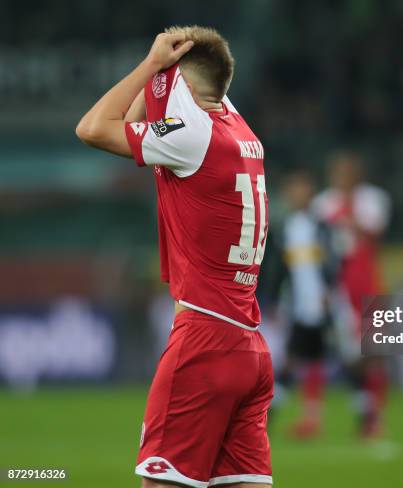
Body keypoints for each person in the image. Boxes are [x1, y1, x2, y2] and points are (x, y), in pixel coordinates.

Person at [76, 26, 273, 488]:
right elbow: (206, 83)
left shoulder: (188, 138)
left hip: (202, 343)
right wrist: (169, 73)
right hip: (250, 348)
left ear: (180, 86)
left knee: (159, 483)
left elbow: (93, 128)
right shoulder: (240, 131)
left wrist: (150, 65)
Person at [312, 151, 391, 438]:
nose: (343, 176)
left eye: (348, 171)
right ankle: (352, 412)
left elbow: (375, 236)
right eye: (338, 171)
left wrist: (347, 216)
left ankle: (376, 417)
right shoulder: (322, 203)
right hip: (338, 284)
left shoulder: (374, 199)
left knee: (375, 350)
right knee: (341, 352)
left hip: (368, 280)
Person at [270, 171, 338, 438]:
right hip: (298, 305)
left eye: (300, 189)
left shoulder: (322, 227)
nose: (296, 195)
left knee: (307, 360)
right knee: (303, 360)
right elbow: (279, 267)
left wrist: (329, 290)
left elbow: (333, 262)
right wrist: (275, 298)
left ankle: (366, 417)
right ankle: (309, 419)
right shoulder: (284, 229)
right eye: (292, 190)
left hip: (324, 303)